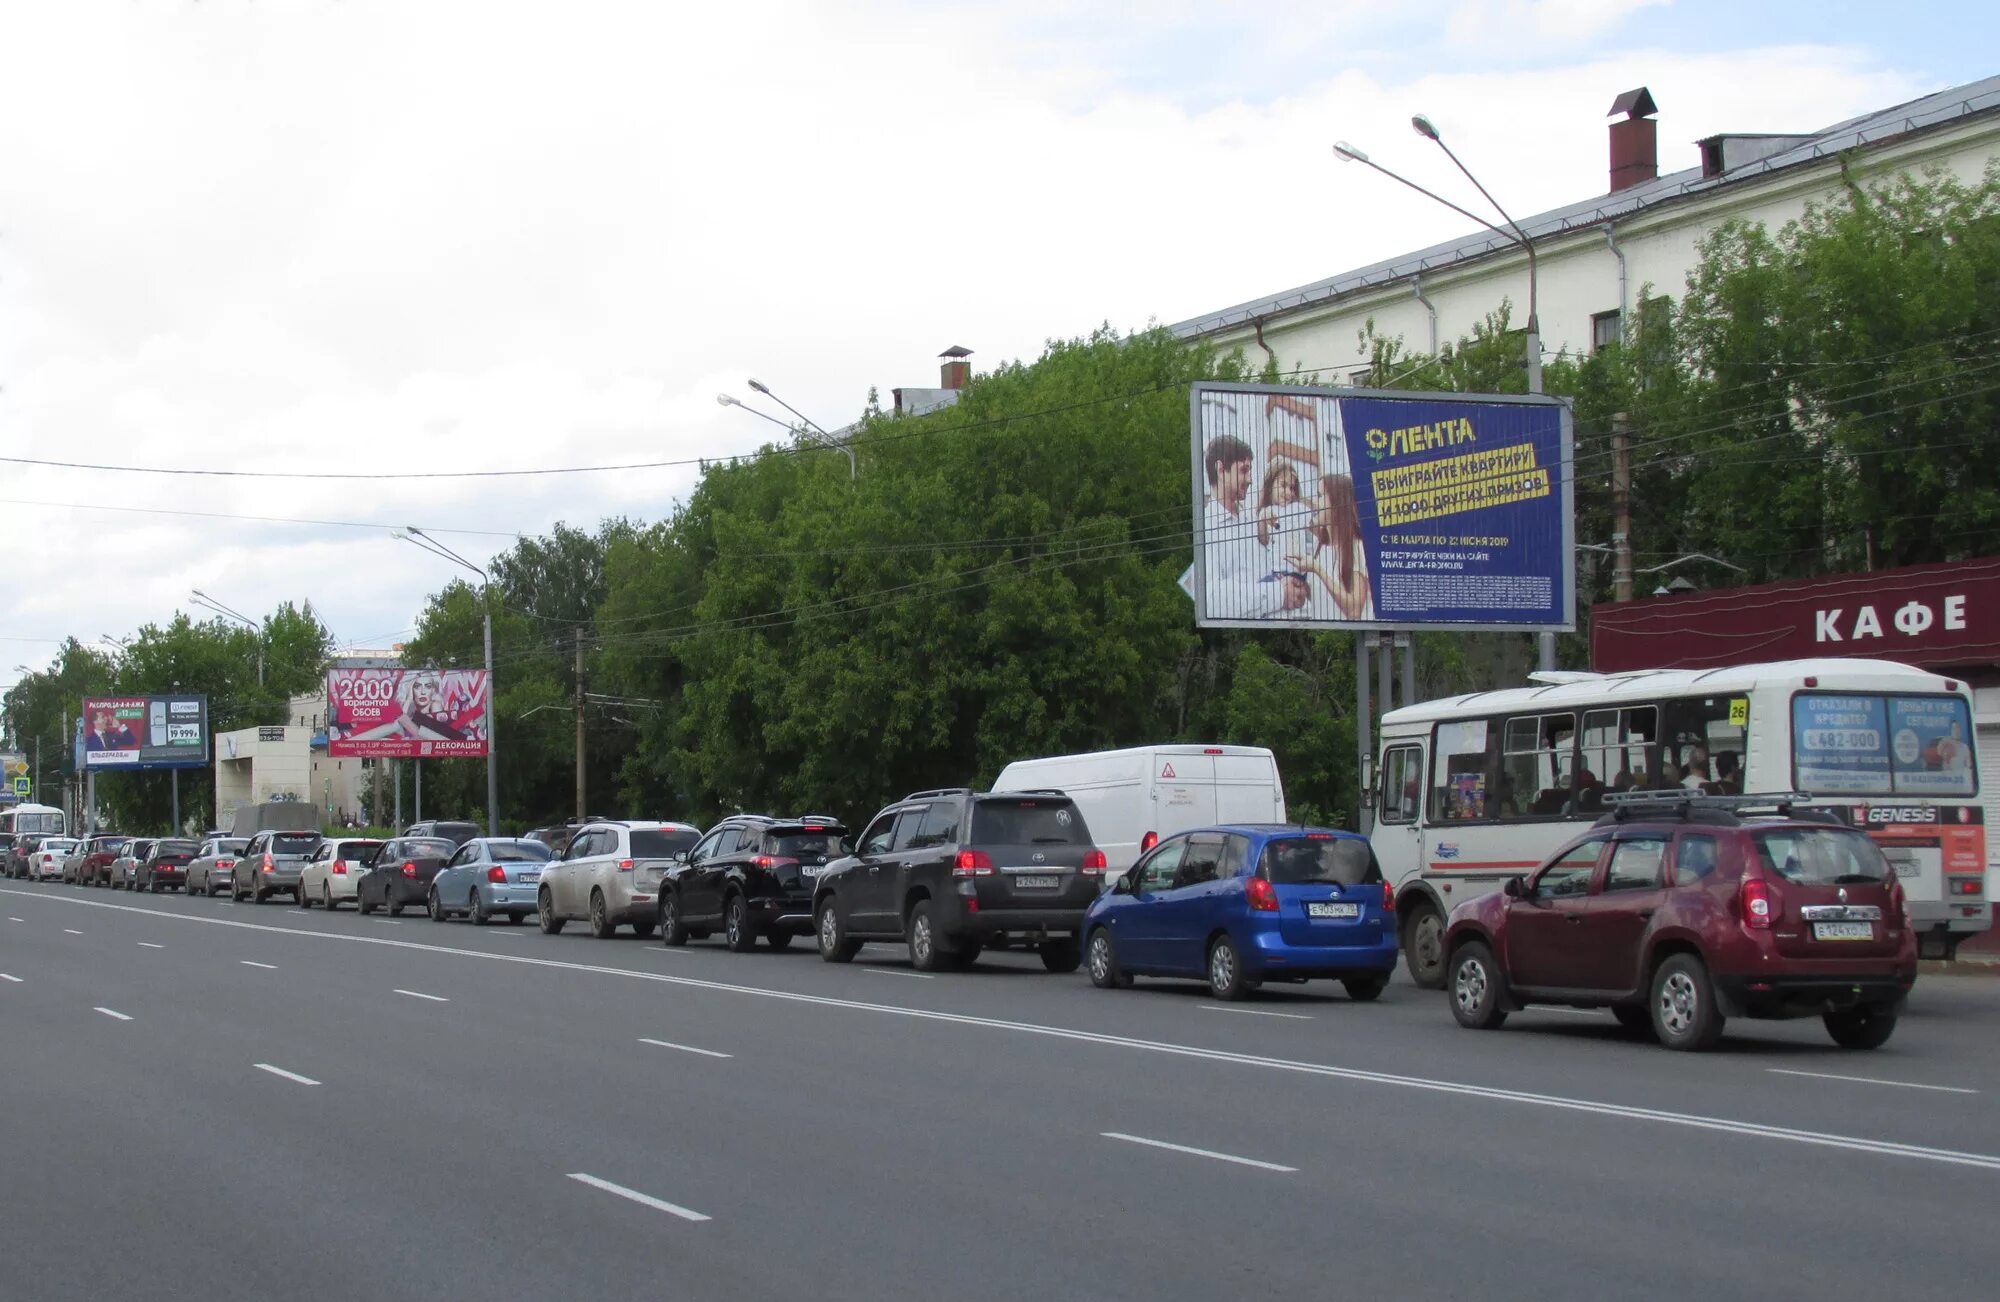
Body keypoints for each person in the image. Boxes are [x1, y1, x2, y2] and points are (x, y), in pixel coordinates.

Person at [1201, 426, 1305, 618]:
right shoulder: (1205, 527)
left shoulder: (1255, 521)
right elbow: (1210, 599)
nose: (1249, 479)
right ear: (1221, 469)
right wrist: (1280, 593)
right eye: (1243, 470)